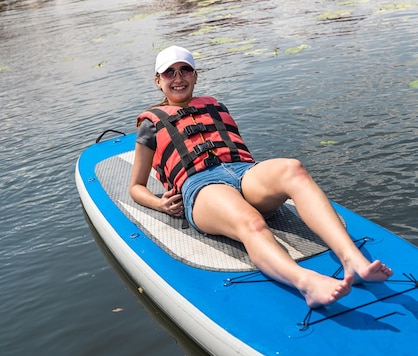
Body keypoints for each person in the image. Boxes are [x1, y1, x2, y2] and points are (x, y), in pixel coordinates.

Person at [129, 45, 393, 308]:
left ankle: (353, 260)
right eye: (169, 73)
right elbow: (136, 187)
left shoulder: (212, 106)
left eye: (184, 70)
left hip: (242, 172)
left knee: (293, 168)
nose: (178, 78)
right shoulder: (151, 125)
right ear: (158, 80)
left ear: (195, 75)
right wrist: (160, 204)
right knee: (251, 222)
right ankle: (307, 283)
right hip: (201, 187)